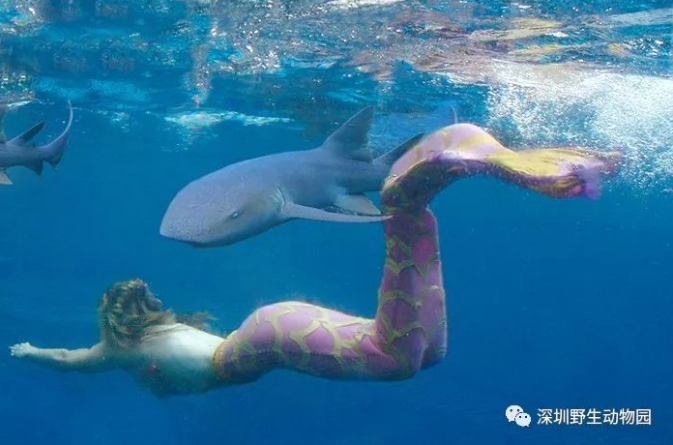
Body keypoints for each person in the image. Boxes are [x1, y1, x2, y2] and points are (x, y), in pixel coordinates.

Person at [9, 123, 621, 397]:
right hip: (261, 336)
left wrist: (28, 351)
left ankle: (437, 165)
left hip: (263, 343)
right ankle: (440, 168)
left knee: (397, 357)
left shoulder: (117, 351)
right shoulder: (165, 331)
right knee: (424, 353)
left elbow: (69, 360)